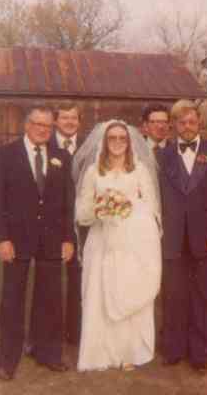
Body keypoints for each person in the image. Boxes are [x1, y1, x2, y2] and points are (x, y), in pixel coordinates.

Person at [74, 120, 161, 372]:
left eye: (122, 138)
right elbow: (82, 211)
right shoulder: (94, 171)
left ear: (129, 142)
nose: (117, 143)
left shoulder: (139, 170)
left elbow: (151, 206)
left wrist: (127, 210)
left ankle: (128, 352)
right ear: (104, 142)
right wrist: (100, 209)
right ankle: (100, 352)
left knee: (128, 289)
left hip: (133, 241)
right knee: (100, 292)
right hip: (102, 240)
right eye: (112, 138)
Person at [0, 105, 75, 380]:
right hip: (16, 239)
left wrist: (68, 238)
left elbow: (67, 202)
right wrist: (2, 238)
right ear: (26, 125)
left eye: (47, 125)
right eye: (38, 124)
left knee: (50, 298)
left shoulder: (61, 156)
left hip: (52, 238)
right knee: (12, 299)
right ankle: (7, 359)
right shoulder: (5, 154)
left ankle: (48, 353)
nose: (43, 129)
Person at [158, 100, 207, 372]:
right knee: (174, 295)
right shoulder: (163, 155)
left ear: (199, 122)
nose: (187, 127)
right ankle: (174, 349)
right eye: (181, 122)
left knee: (203, 295)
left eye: (191, 121)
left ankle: (201, 353)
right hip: (173, 236)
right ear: (174, 125)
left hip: (205, 237)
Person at [27, 102, 85, 348]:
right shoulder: (44, 144)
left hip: (81, 221)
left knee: (78, 279)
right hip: (48, 225)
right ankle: (38, 337)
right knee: (45, 285)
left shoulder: (88, 146)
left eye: (74, 118)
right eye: (64, 118)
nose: (70, 122)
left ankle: (74, 332)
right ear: (55, 122)